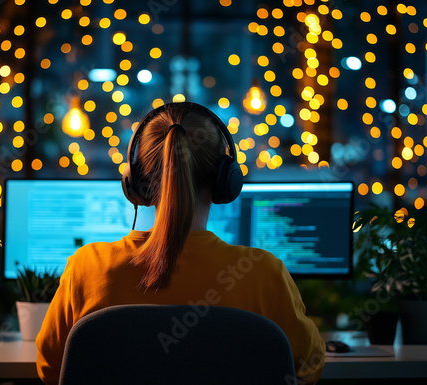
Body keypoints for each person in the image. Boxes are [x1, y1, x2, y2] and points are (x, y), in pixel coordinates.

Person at [36, 102, 325, 384]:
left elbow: (52, 369)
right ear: (226, 181)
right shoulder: (264, 274)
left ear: (136, 183)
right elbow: (307, 366)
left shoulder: (87, 268)